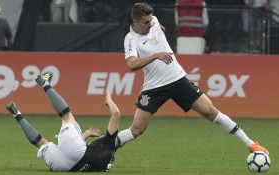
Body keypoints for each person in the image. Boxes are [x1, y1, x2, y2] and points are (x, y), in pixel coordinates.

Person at [114, 2, 269, 164]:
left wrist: (159, 30)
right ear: (135, 21)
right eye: (145, 22)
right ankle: (105, 149)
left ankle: (251, 144)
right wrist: (155, 55)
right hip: (154, 87)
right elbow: (131, 64)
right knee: (136, 130)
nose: (150, 23)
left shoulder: (154, 22)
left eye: (151, 20)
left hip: (177, 79)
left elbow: (159, 28)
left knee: (210, 111)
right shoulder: (130, 39)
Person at [6, 72, 120, 172]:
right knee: (40, 143)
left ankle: (45, 83)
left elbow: (116, 114)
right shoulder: (101, 165)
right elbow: (77, 151)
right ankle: (16, 113)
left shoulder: (109, 144)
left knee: (67, 116)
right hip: (66, 168)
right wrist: (85, 135)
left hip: (78, 153)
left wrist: (109, 100)